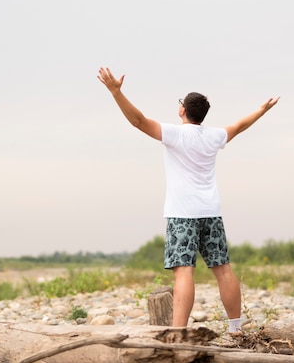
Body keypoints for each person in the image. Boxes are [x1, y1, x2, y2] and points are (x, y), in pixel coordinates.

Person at [97, 67, 280, 333]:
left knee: (184, 272)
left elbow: (137, 121)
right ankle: (236, 328)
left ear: (183, 110)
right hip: (211, 212)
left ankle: (178, 333)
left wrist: (116, 92)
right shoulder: (214, 135)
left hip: (182, 214)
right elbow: (240, 126)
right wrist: (261, 111)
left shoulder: (175, 134)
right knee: (223, 269)